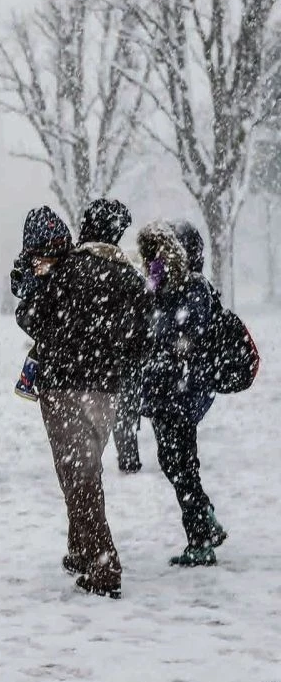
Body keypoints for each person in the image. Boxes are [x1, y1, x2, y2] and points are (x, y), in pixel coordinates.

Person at [16, 197, 150, 599]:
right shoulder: (128, 276)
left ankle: (103, 565)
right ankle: (80, 548)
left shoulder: (67, 271)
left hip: (63, 387)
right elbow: (141, 337)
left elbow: (32, 317)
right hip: (106, 390)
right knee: (84, 471)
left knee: (79, 476)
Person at [137, 220, 228, 566]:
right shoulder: (162, 285)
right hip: (166, 392)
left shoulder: (194, 287)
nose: (157, 260)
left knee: (183, 465)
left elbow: (187, 338)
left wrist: (163, 352)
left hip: (180, 392)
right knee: (173, 462)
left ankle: (200, 540)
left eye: (164, 252)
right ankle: (206, 520)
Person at [9, 206, 73, 402]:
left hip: (62, 375)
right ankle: (26, 380)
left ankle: (27, 380)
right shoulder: (50, 277)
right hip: (58, 373)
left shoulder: (66, 278)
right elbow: (28, 316)